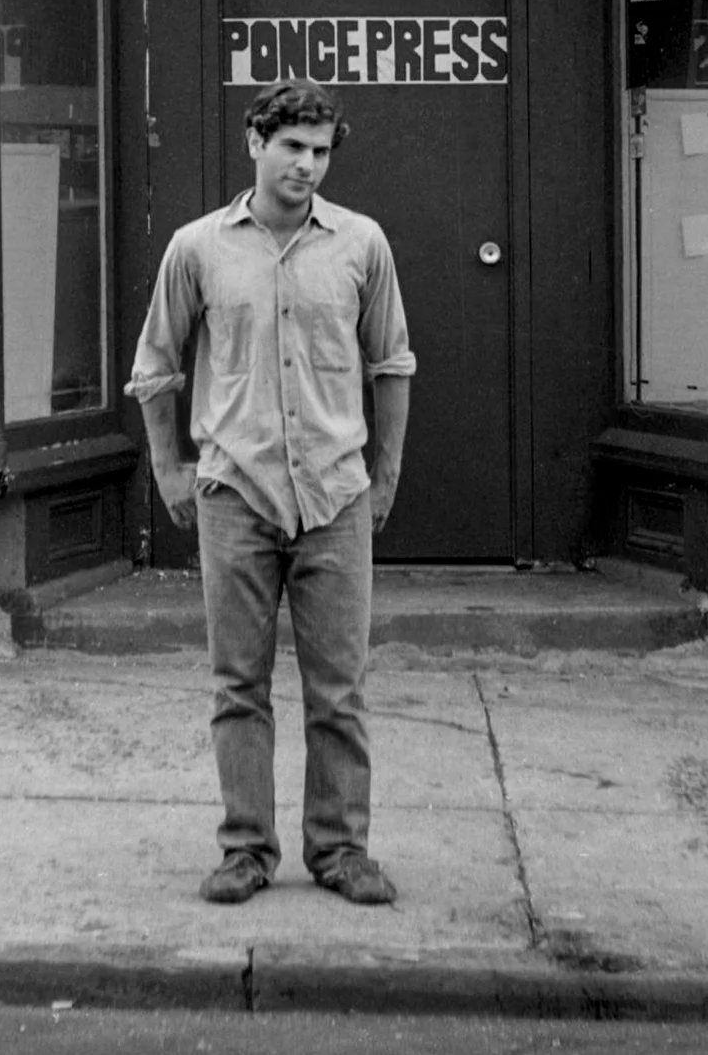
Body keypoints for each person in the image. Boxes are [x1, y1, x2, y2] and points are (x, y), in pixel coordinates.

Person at [126, 78, 414, 908]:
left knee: (340, 686)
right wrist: (169, 468)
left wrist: (384, 475)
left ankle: (340, 850)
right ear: (256, 141)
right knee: (238, 685)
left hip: (334, 494)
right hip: (236, 493)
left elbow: (391, 364)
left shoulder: (361, 245)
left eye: (321, 151)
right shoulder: (200, 247)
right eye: (293, 146)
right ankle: (246, 849)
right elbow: (156, 364)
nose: (308, 165)